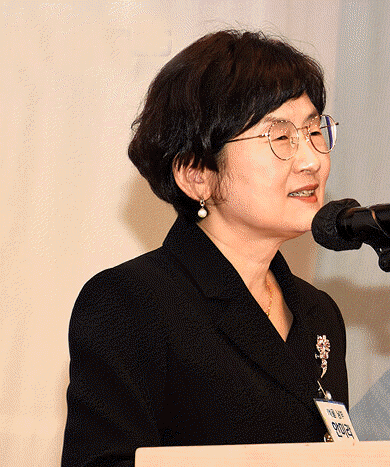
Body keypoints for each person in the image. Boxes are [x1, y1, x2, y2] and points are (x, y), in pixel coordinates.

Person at [61, 29, 348, 467]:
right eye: (280, 137)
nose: (312, 160)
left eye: (313, 131)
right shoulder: (131, 303)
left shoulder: (319, 313)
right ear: (197, 175)